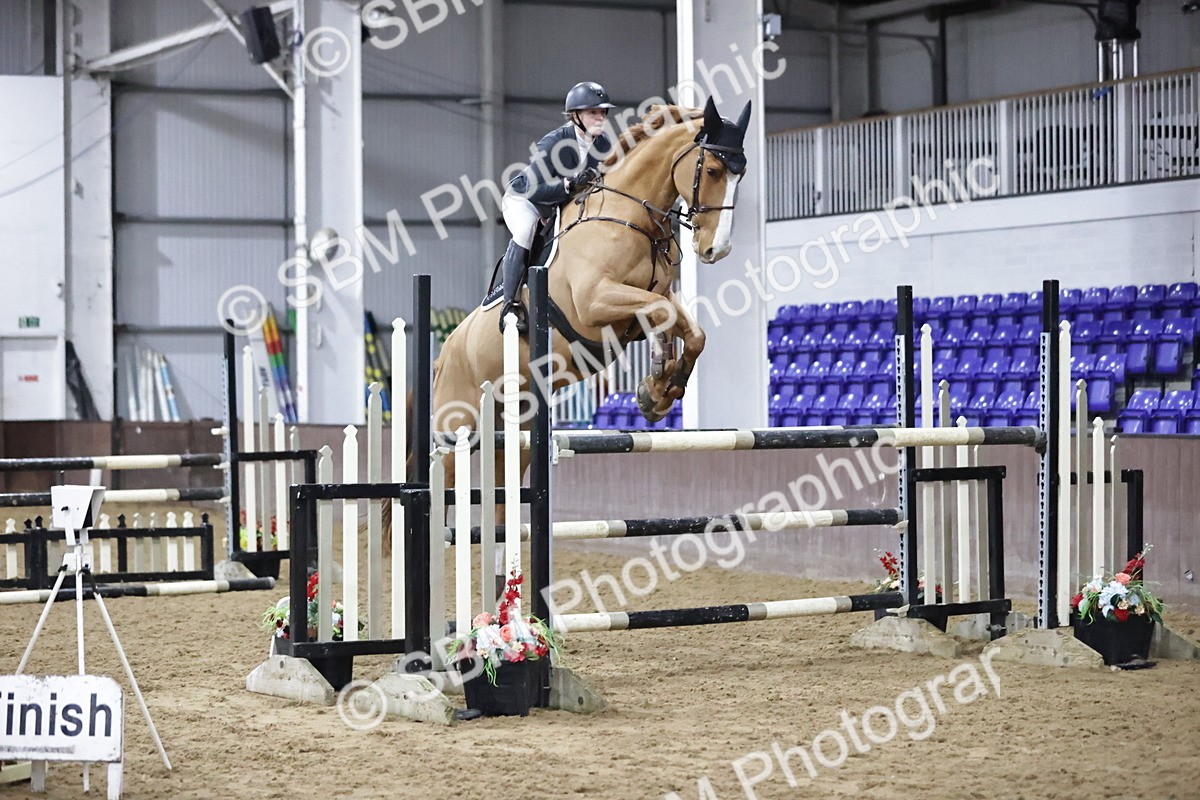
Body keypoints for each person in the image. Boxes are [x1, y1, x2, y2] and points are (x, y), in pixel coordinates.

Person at [499, 81, 616, 332]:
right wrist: (567, 184)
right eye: (593, 112)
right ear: (576, 116)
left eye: (603, 112)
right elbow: (533, 188)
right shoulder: (553, 142)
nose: (600, 117)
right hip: (525, 201)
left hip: (561, 206)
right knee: (525, 231)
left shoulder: (605, 145)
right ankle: (511, 303)